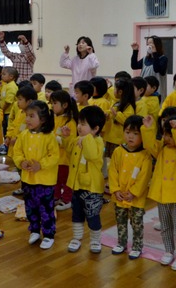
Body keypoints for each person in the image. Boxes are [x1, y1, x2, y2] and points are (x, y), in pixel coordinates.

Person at [144, 114, 176, 269]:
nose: (167, 138)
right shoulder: (161, 150)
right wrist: (148, 129)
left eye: (171, 135)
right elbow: (150, 145)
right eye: (166, 134)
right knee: (166, 226)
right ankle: (168, 251)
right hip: (162, 195)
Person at [13, 101, 59, 250]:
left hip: (45, 181)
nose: (27, 119)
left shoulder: (49, 136)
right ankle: (34, 230)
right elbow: (17, 152)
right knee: (30, 207)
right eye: (27, 116)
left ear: (43, 119)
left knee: (45, 208)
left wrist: (41, 164)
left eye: (32, 116)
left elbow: (54, 156)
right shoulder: (24, 135)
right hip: (28, 179)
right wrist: (21, 162)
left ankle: (48, 234)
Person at [108, 116, 153, 260]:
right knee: (120, 221)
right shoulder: (118, 151)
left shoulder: (145, 155)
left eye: (135, 133)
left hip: (135, 198)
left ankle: (137, 246)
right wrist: (115, 189)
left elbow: (145, 177)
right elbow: (112, 171)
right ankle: (121, 243)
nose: (130, 136)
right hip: (119, 195)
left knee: (137, 223)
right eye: (127, 132)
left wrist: (133, 193)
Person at [66, 106, 106, 254]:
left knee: (92, 215)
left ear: (95, 129)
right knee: (76, 214)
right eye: (79, 123)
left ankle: (95, 240)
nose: (79, 127)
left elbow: (91, 156)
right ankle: (77, 238)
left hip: (92, 189)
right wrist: (66, 138)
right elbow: (70, 150)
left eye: (83, 124)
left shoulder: (98, 142)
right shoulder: (79, 138)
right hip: (77, 185)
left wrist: (86, 138)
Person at [50, 90, 78, 211]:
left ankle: (67, 199)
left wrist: (53, 138)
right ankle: (56, 196)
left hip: (65, 158)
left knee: (66, 180)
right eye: (51, 103)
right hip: (55, 157)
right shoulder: (55, 118)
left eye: (55, 103)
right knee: (55, 179)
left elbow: (69, 142)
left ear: (65, 105)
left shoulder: (70, 122)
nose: (52, 106)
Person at [131, 35, 169, 100]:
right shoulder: (145, 59)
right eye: (148, 44)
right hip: (144, 93)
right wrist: (135, 51)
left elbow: (156, 69)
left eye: (151, 43)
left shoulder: (163, 59)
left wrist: (154, 53)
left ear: (157, 45)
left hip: (157, 94)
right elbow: (134, 66)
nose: (149, 45)